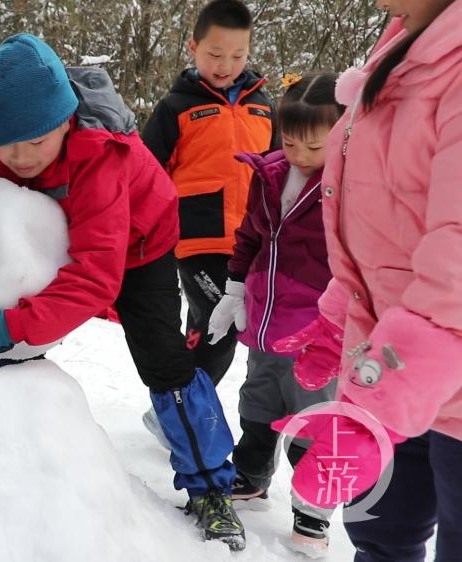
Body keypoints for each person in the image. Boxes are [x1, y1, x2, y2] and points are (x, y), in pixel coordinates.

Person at [0, 34, 246, 550]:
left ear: (66, 120)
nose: (21, 157)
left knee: (162, 361)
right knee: (16, 336)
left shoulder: (99, 156)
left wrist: (10, 325)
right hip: (64, 237)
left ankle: (210, 487)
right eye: (6, 142)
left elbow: (96, 276)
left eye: (37, 141)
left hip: (139, 245)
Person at [273, 2, 462, 560]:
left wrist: (375, 406)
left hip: (427, 384)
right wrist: (339, 320)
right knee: (381, 536)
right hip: (393, 367)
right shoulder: (406, 42)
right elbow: (390, 229)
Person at [206, 72, 345, 555]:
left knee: (316, 421)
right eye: (291, 142)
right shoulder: (269, 175)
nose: (301, 156)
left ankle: (312, 513)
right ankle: (251, 474)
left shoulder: (349, 188)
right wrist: (234, 290)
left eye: (314, 147)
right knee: (258, 403)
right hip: (264, 324)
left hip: (317, 334)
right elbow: (249, 236)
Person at [141, 0, 276, 396]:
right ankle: (184, 403)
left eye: (238, 55)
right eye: (215, 54)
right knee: (221, 323)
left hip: (251, 240)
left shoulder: (264, 108)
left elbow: (279, 169)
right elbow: (148, 172)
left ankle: (178, 402)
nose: (226, 64)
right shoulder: (176, 107)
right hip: (197, 239)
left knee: (209, 326)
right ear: (193, 48)